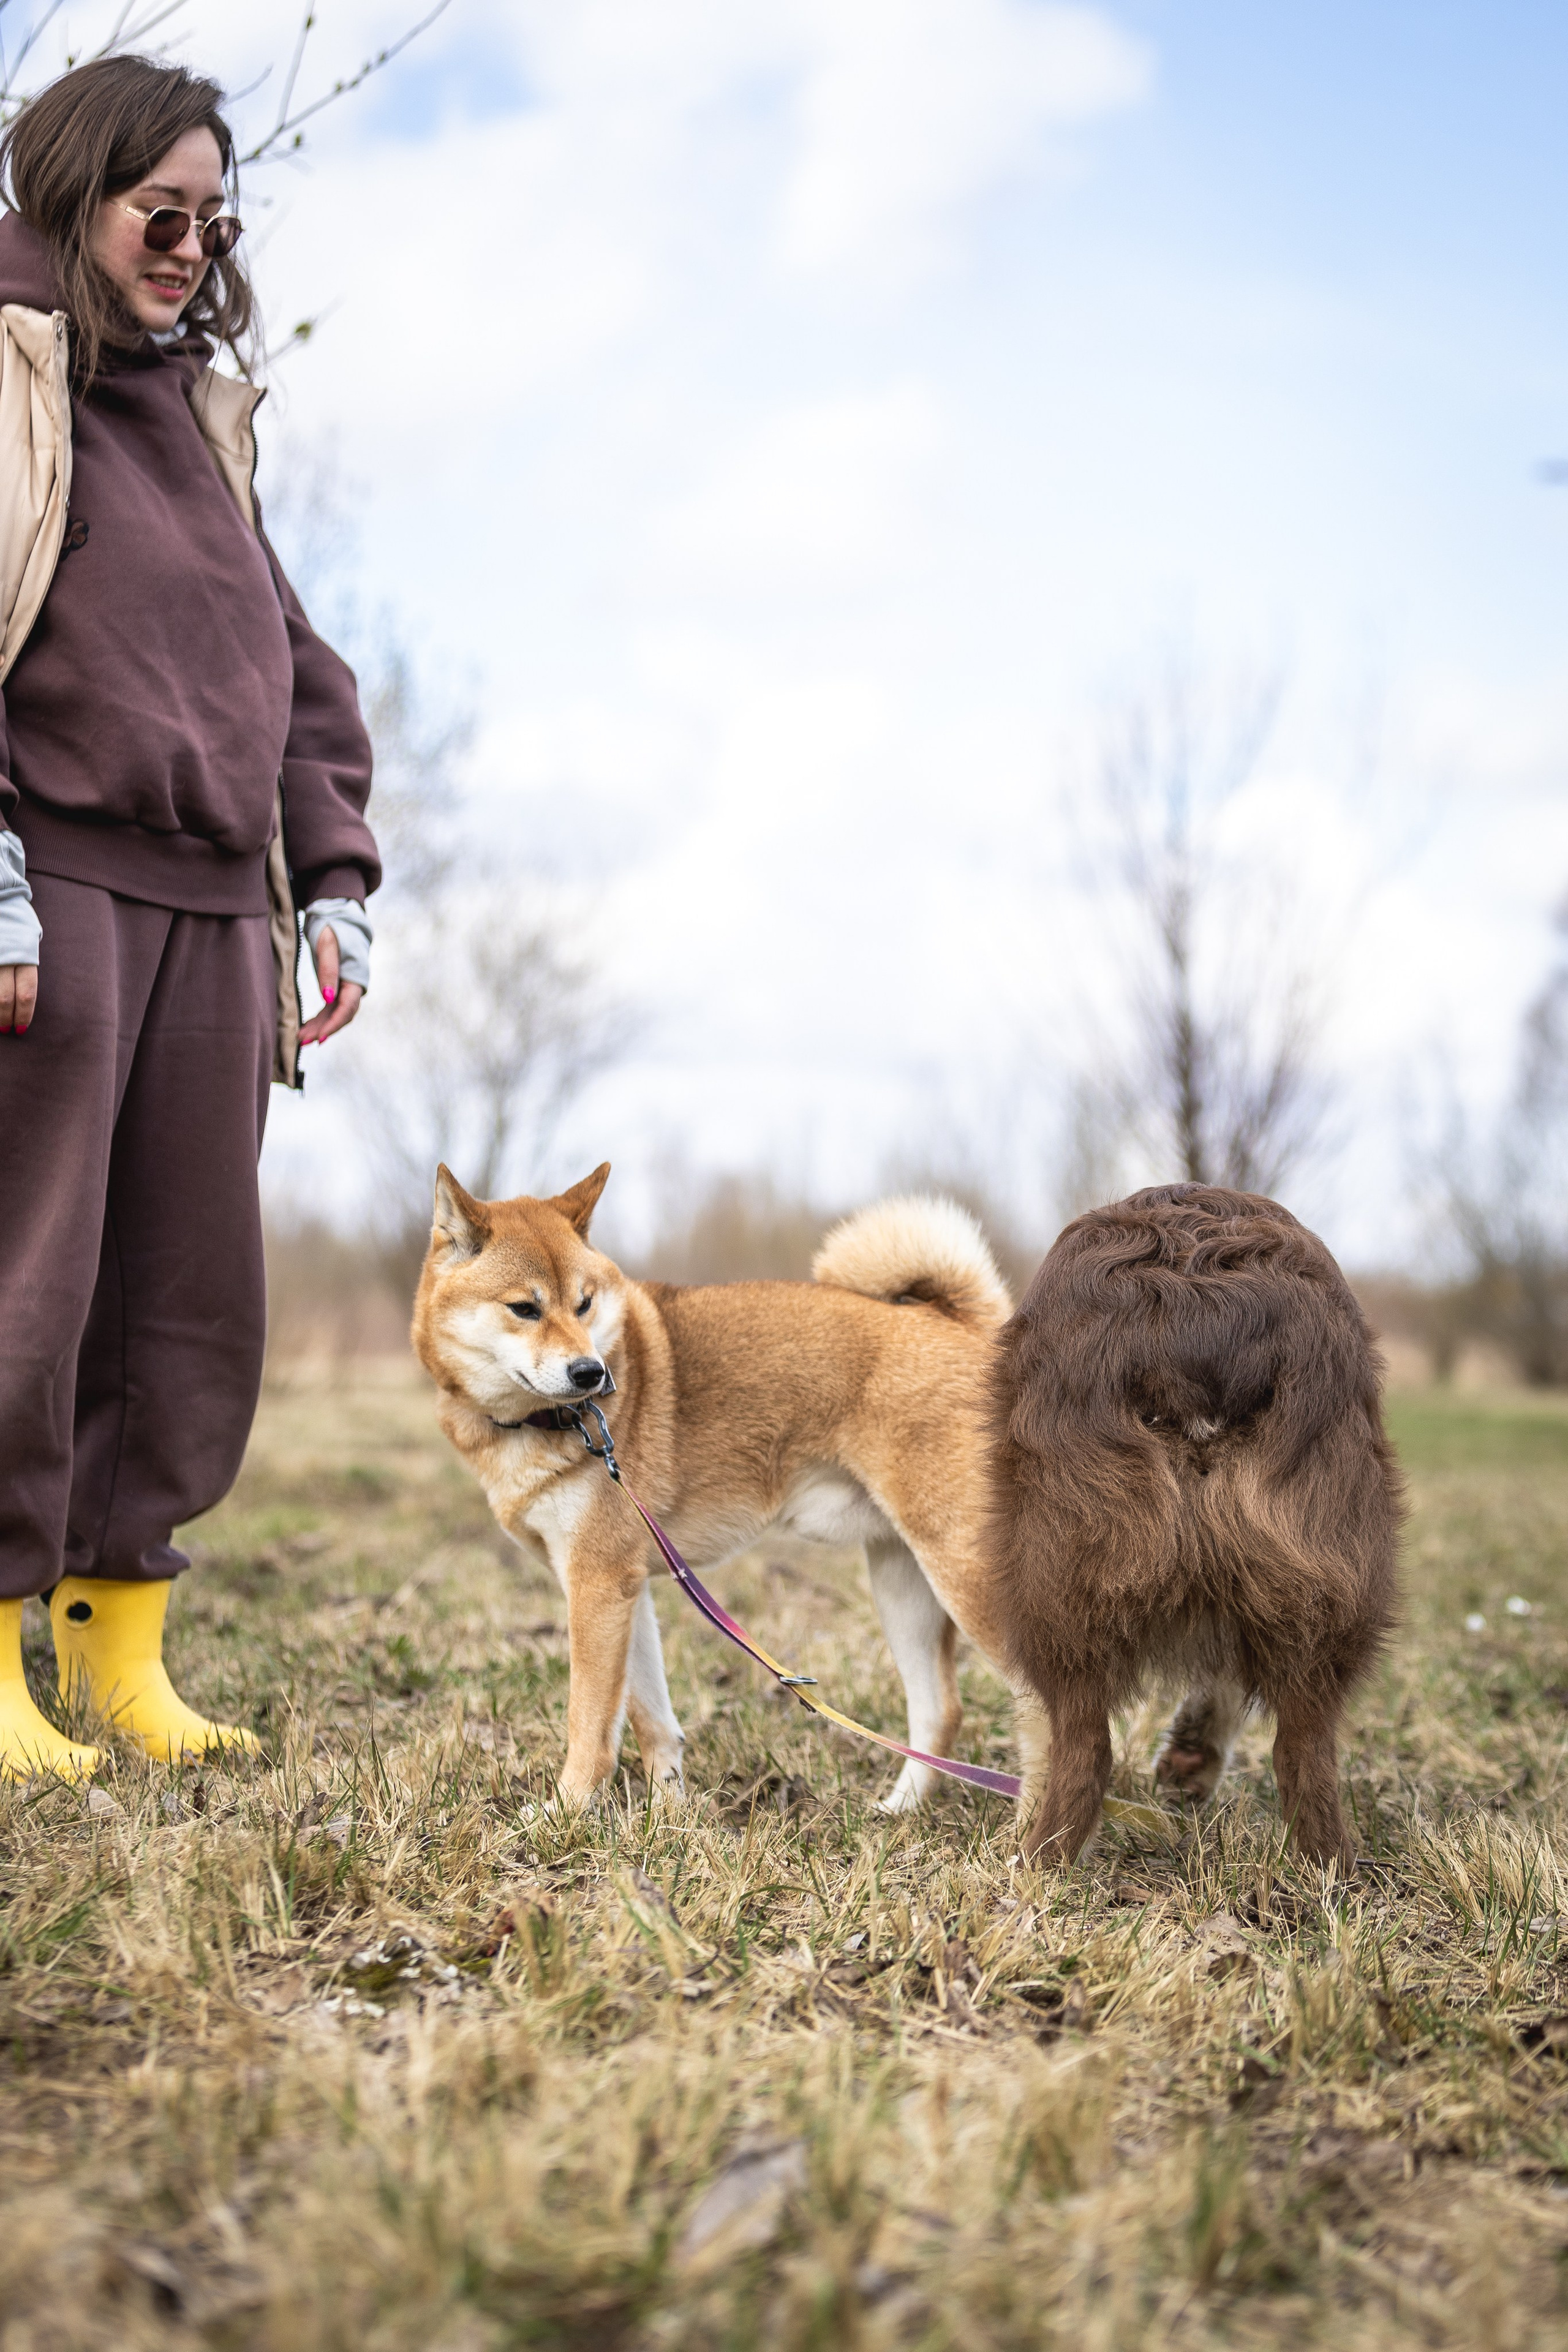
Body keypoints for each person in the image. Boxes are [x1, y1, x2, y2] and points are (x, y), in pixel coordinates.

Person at [0, 57, 379, 1778]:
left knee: (186, 1303)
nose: (190, 245)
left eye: (213, 220)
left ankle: (118, 1641)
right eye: (164, 211)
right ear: (76, 194)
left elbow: (290, 673)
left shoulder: (203, 418)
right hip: (53, 885)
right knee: (30, 1286)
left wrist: (336, 885)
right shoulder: (12, 377)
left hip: (220, 909)